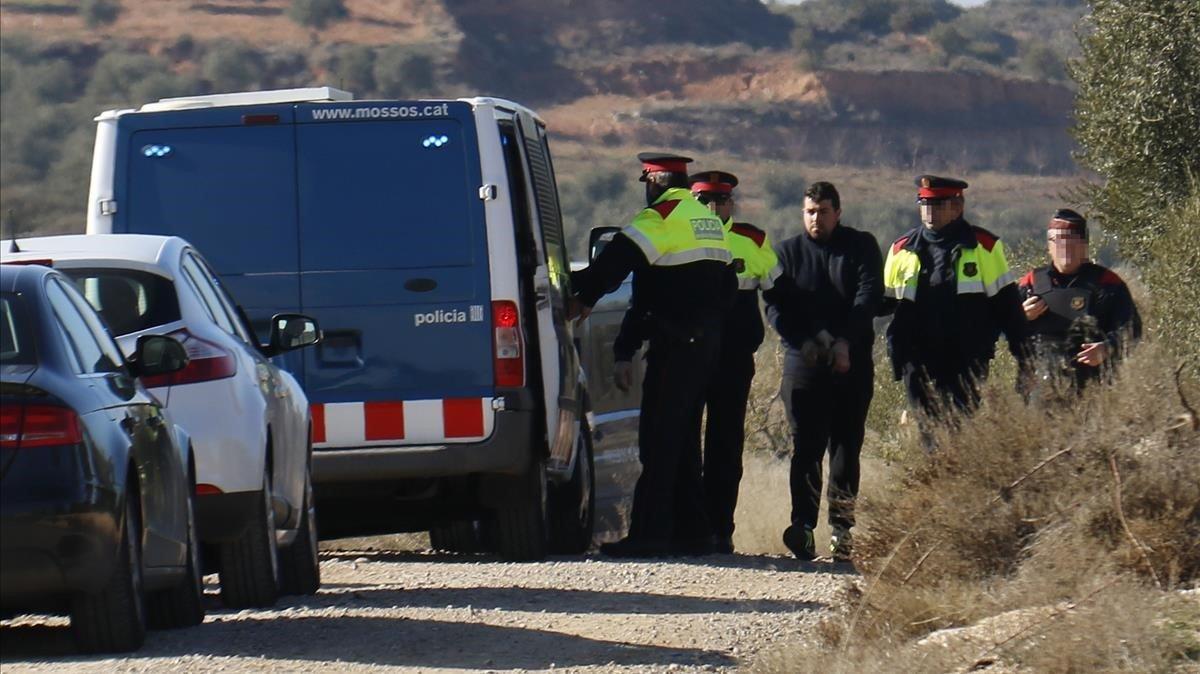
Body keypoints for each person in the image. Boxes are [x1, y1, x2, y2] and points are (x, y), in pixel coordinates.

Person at [569, 152, 737, 558]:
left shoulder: (658, 220)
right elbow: (726, 287)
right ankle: (694, 534)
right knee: (681, 443)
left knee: (659, 441)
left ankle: (649, 536)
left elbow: (611, 267)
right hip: (708, 348)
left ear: (656, 181)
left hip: (676, 347)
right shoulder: (707, 221)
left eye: (646, 181)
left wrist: (578, 294)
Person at [611, 170, 780, 555]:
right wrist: (626, 348)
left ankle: (718, 529)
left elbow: (780, 299)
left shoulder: (751, 240)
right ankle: (681, 529)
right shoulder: (678, 233)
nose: (714, 207)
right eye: (706, 200)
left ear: (731, 204)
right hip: (690, 353)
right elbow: (645, 301)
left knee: (724, 445)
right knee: (679, 442)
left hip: (732, 360)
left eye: (722, 201)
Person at [765, 181, 882, 562]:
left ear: (838, 212)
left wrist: (846, 341)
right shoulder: (786, 253)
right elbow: (776, 307)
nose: (816, 218)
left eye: (824, 211)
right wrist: (806, 341)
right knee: (807, 447)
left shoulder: (860, 246)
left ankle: (842, 529)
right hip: (805, 361)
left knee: (846, 445)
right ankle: (802, 526)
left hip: (853, 359)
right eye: (810, 211)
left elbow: (867, 296)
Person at [881, 175, 1030, 437]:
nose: (929, 211)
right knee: (928, 432)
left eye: (938, 205)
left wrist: (1025, 358)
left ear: (958, 207)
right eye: (924, 204)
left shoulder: (984, 247)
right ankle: (936, 476)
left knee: (958, 431)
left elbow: (1008, 308)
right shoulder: (901, 250)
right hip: (918, 360)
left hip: (965, 358)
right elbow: (884, 306)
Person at [1018, 209, 1141, 394]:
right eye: (1058, 240)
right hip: (1039, 388)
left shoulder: (1107, 283)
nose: (1065, 247)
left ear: (1084, 244)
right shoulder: (1030, 282)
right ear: (1048, 246)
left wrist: (1107, 348)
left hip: (1095, 388)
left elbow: (1132, 329)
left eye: (1071, 240)